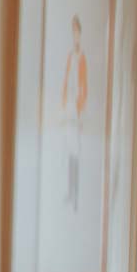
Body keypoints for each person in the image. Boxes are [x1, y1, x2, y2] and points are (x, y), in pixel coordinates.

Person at [62, 11, 88, 212]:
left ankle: (77, 195)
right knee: (70, 151)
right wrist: (65, 106)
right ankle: (70, 192)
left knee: (76, 152)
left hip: (77, 109)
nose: (75, 36)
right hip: (69, 106)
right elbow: (66, 81)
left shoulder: (82, 58)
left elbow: (83, 86)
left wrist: (80, 111)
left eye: (77, 32)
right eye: (73, 32)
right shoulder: (70, 56)